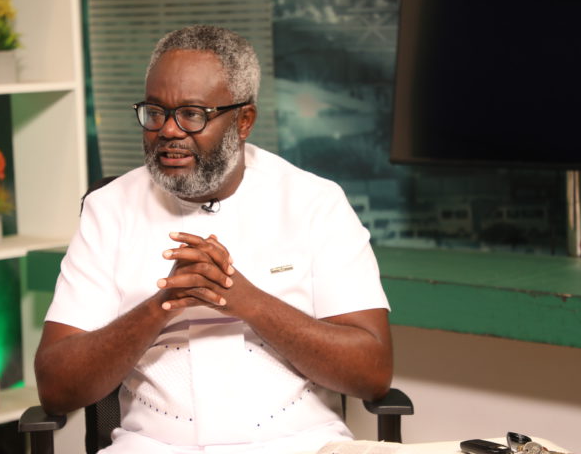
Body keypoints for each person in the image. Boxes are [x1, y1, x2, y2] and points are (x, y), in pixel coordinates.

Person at [34, 25, 392, 454]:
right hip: (155, 447)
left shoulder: (315, 202)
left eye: (192, 114)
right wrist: (163, 305)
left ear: (244, 121)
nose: (168, 130)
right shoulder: (109, 209)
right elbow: (55, 387)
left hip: (301, 444)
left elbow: (372, 373)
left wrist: (245, 300)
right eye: (155, 111)